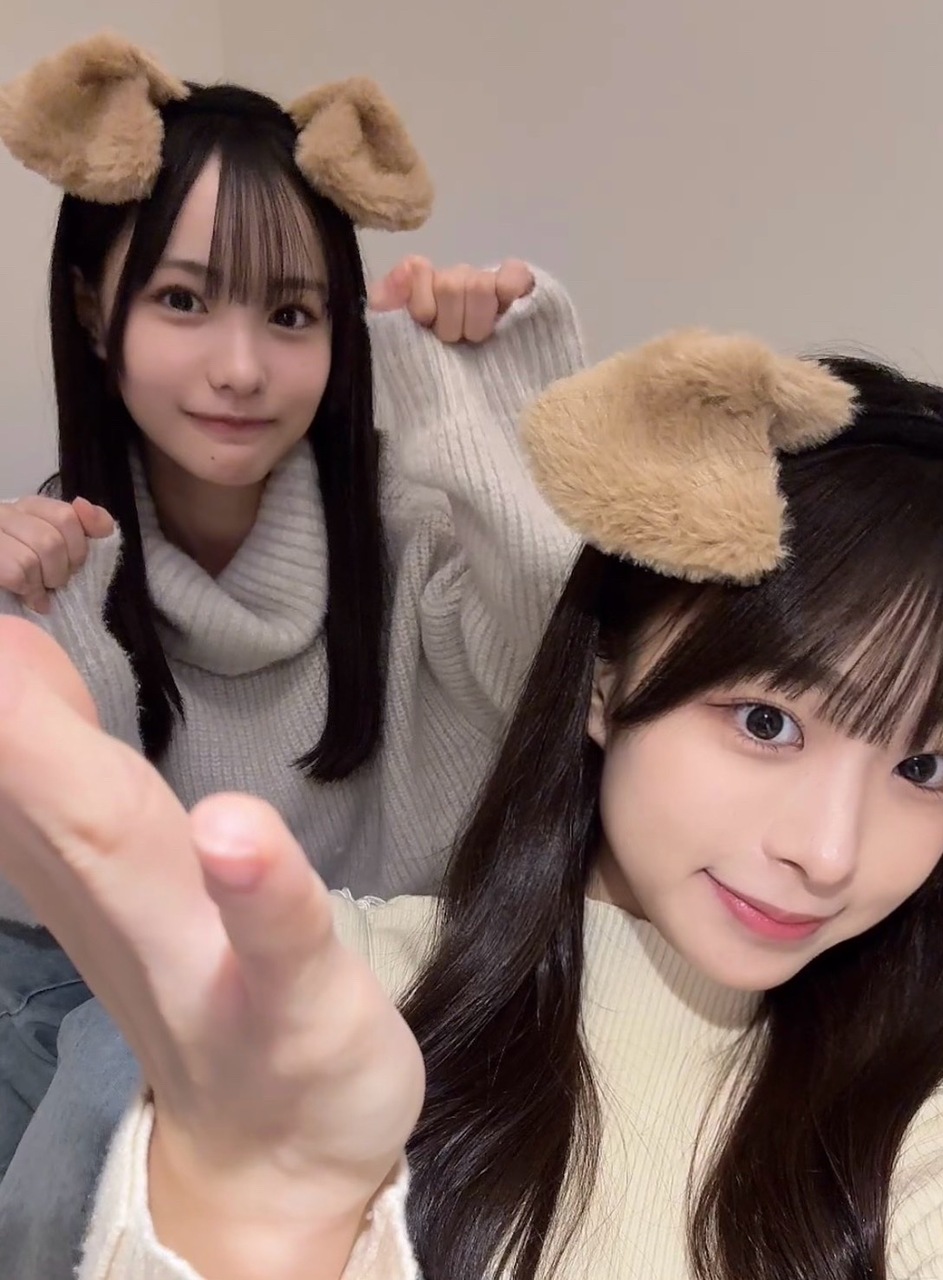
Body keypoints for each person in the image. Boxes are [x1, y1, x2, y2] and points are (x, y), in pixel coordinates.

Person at [2, 328, 943, 1279]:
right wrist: (260, 1216)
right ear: (605, 676)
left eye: (925, 767)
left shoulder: (924, 1128)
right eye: (766, 723)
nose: (829, 854)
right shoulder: (324, 997)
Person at [0, 34, 584, 1177]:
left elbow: (549, 683)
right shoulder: (57, 560)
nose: (241, 368)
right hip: (151, 1019)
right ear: (93, 310)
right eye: (182, 299)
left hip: (405, 1010)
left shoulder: (420, 522)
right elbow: (58, 899)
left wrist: (491, 421)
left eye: (291, 314)